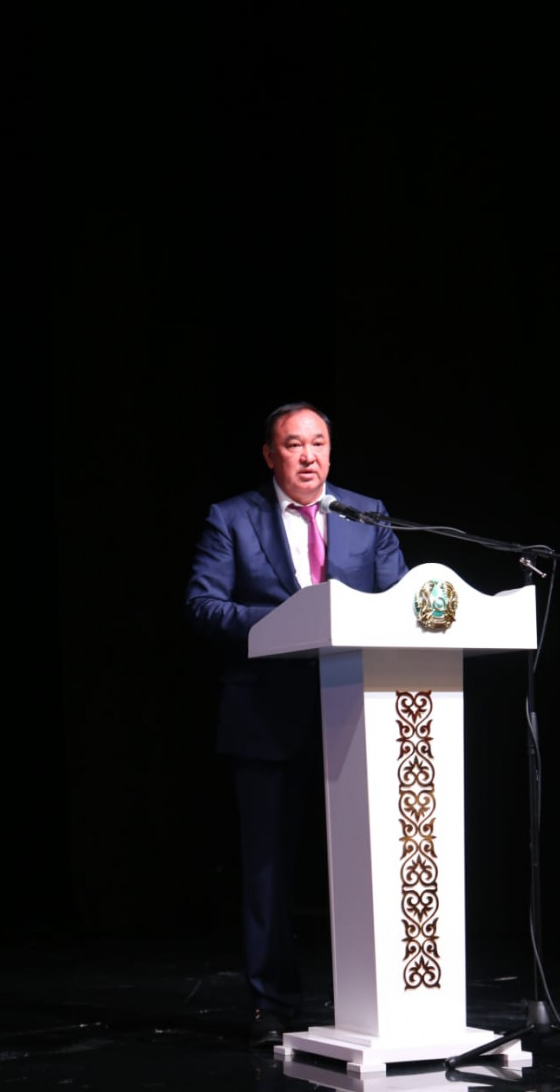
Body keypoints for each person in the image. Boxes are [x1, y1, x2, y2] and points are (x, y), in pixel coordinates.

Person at [184, 400, 408, 1047]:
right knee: (268, 871)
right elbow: (202, 604)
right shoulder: (232, 517)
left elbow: (398, 603)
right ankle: (272, 1005)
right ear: (270, 454)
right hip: (265, 715)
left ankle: (376, 1005)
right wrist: (288, 622)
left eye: (318, 444)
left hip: (359, 712)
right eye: (293, 444)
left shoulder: (366, 513)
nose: (308, 456)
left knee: (373, 863)